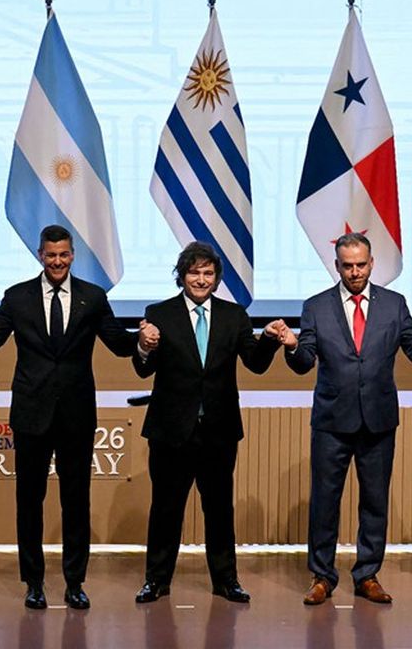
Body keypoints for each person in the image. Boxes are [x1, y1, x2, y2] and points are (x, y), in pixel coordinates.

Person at [281, 232, 412, 605]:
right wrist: (291, 346)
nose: (355, 272)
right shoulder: (316, 307)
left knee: (375, 501)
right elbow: (304, 361)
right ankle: (322, 576)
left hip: (378, 420)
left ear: (372, 264)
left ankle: (367, 574)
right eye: (347, 266)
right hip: (331, 422)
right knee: (325, 502)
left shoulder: (394, 304)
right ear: (336, 266)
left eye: (360, 265)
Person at [0, 224, 138, 610]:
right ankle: (33, 582)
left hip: (76, 416)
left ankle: (74, 583)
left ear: (73, 255)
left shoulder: (93, 296)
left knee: (76, 501)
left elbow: (119, 343)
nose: (57, 261)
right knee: (28, 501)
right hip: (31, 414)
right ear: (40, 255)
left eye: (63, 255)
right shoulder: (16, 297)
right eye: (51, 255)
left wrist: (147, 337)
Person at [131, 241, 288, 605]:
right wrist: (143, 346)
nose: (201, 280)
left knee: (219, 510)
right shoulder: (159, 313)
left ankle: (226, 581)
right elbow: (142, 369)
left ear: (216, 278)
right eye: (194, 272)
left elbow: (255, 364)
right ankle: (156, 581)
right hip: (171, 431)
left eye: (208, 273)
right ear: (181, 276)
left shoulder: (234, 316)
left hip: (218, 431)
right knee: (166, 509)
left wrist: (268, 339)